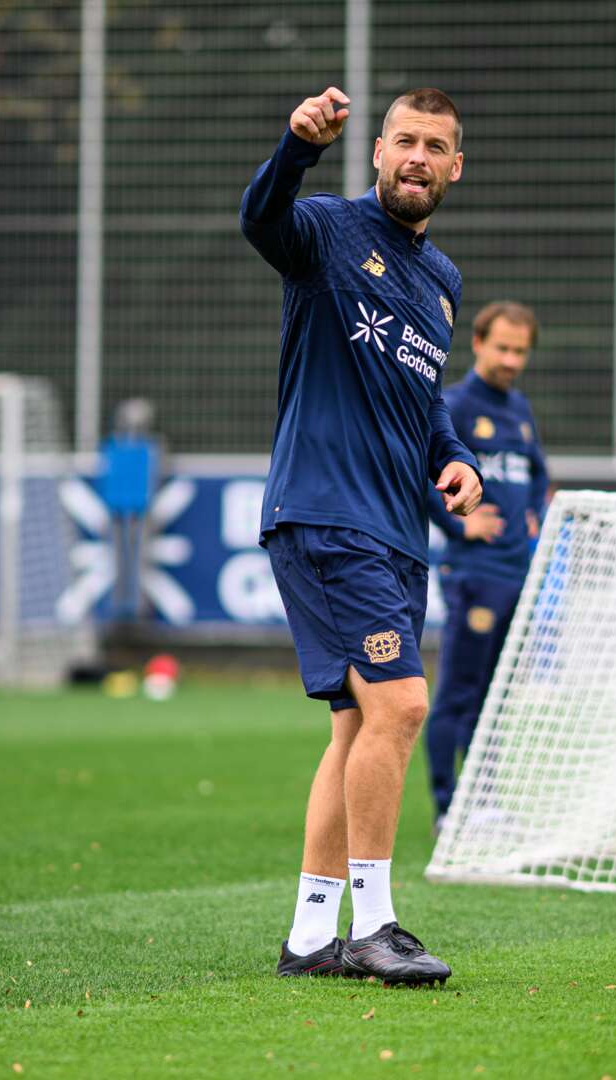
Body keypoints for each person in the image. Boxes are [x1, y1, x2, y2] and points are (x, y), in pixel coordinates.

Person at [239, 88, 482, 985]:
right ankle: (374, 924)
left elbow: (424, 406)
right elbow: (260, 219)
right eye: (405, 141)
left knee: (357, 728)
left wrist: (454, 459)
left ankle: (309, 938)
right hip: (326, 516)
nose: (419, 157)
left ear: (456, 167)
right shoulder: (328, 231)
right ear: (378, 152)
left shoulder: (444, 283)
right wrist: (295, 145)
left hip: (395, 531)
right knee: (403, 706)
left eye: (437, 146)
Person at [423, 301, 550, 828]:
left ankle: (485, 798)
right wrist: (459, 525)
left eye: (520, 351)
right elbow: (420, 474)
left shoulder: (519, 411)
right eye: (502, 347)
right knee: (460, 687)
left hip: (516, 572)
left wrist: (536, 515)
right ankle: (447, 805)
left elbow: (539, 474)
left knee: (497, 693)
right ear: (477, 343)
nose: (511, 360)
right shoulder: (451, 404)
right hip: (473, 572)